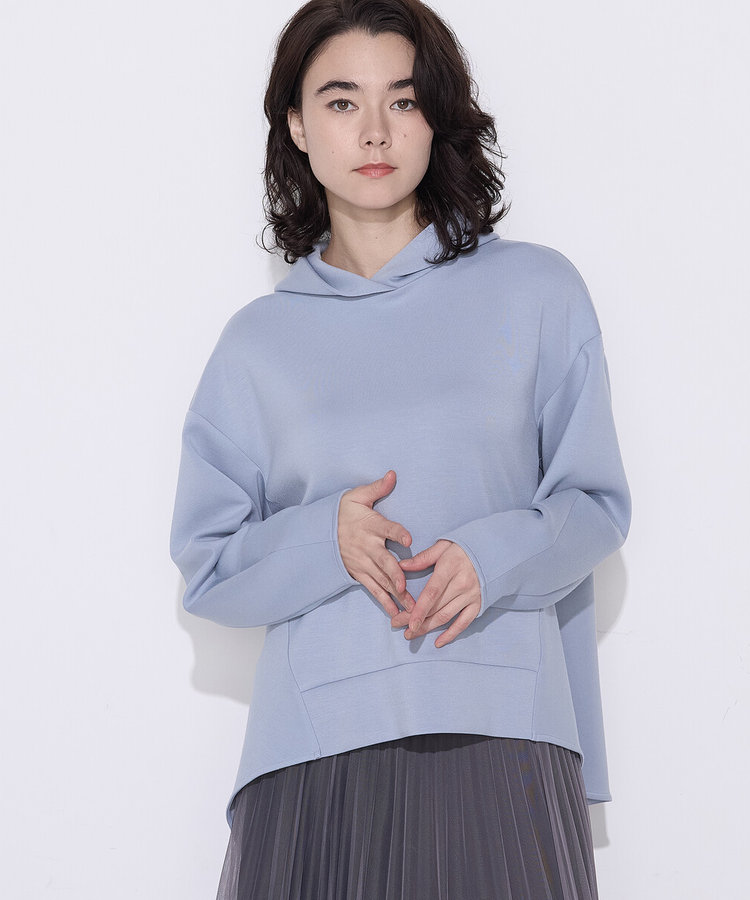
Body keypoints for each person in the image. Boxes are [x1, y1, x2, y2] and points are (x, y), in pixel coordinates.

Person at [169, 0, 632, 896]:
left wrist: (494, 556)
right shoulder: (258, 344)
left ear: (436, 115)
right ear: (296, 125)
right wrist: (326, 537)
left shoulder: (537, 292)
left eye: (404, 100)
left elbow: (595, 506)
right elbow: (209, 565)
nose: (375, 130)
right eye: (342, 101)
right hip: (317, 753)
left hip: (502, 729)